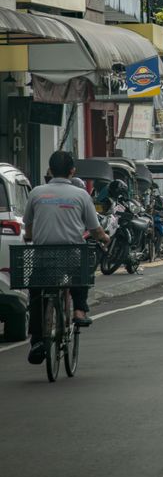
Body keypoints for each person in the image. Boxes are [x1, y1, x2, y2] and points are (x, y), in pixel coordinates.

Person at [23, 150, 110, 366]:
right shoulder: (81, 195)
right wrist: (105, 238)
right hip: (71, 255)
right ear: (72, 171)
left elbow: (29, 228)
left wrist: (33, 235)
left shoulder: (36, 192)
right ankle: (79, 310)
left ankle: (36, 340)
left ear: (50, 171)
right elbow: (95, 230)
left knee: (36, 293)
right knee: (83, 270)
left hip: (43, 256)